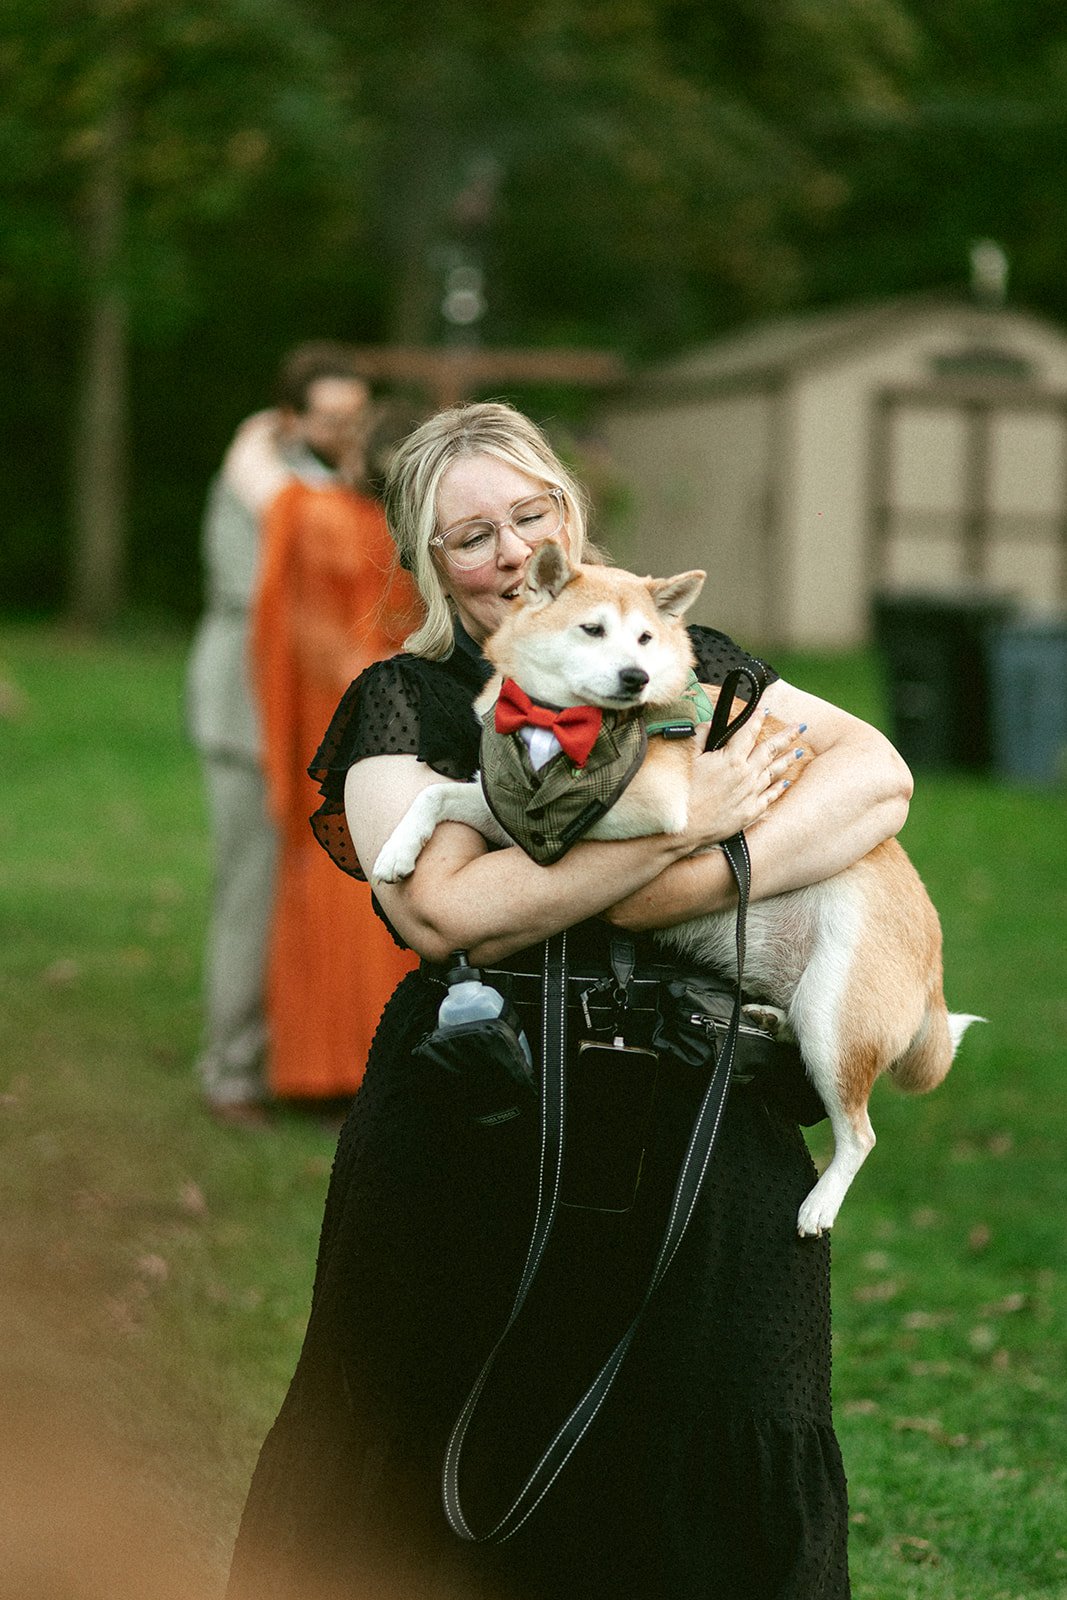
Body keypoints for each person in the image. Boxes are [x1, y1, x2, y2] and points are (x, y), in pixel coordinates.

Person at [227, 402, 913, 1599]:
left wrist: (705, 872)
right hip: (483, 1124)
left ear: (565, 517)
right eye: (466, 536)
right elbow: (441, 910)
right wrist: (690, 816)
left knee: (712, 1433)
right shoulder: (410, 701)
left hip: (700, 1128)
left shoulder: (675, 661)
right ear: (426, 564)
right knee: (437, 1442)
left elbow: (874, 778)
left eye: (525, 517)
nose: (502, 552)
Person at [187, 342, 399, 1125]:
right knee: (252, 884)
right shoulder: (259, 493)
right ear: (292, 418)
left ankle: (309, 1054)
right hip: (247, 712)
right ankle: (230, 1070)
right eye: (331, 416)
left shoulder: (350, 491)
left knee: (323, 890)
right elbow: (266, 597)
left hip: (326, 714)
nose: (346, 430)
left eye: (357, 415)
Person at [250, 394, 418, 1103]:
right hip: (396, 715)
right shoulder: (414, 537)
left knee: (333, 884)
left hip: (334, 716)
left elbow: (303, 632)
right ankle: (366, 1061)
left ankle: (322, 1063)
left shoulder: (309, 513)